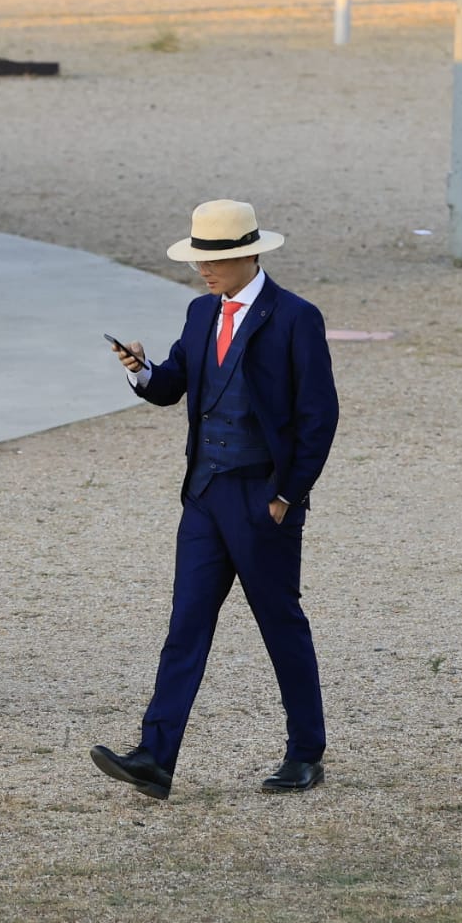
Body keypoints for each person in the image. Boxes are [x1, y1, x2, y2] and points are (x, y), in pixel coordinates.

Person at [90, 199, 340, 799]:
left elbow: (320, 415)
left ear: (249, 256)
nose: (204, 269)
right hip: (203, 496)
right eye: (199, 259)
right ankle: (155, 757)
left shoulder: (296, 317)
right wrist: (141, 370)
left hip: (263, 499)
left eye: (216, 260)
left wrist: (288, 494)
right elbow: (174, 383)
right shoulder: (201, 311)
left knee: (280, 624)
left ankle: (306, 752)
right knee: (186, 624)